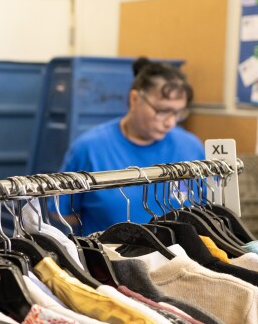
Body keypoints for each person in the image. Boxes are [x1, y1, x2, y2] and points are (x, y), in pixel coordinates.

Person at [57, 57, 204, 234]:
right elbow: (63, 214)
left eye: (178, 113)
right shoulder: (89, 149)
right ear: (135, 99)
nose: (171, 122)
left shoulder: (190, 148)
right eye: (162, 111)